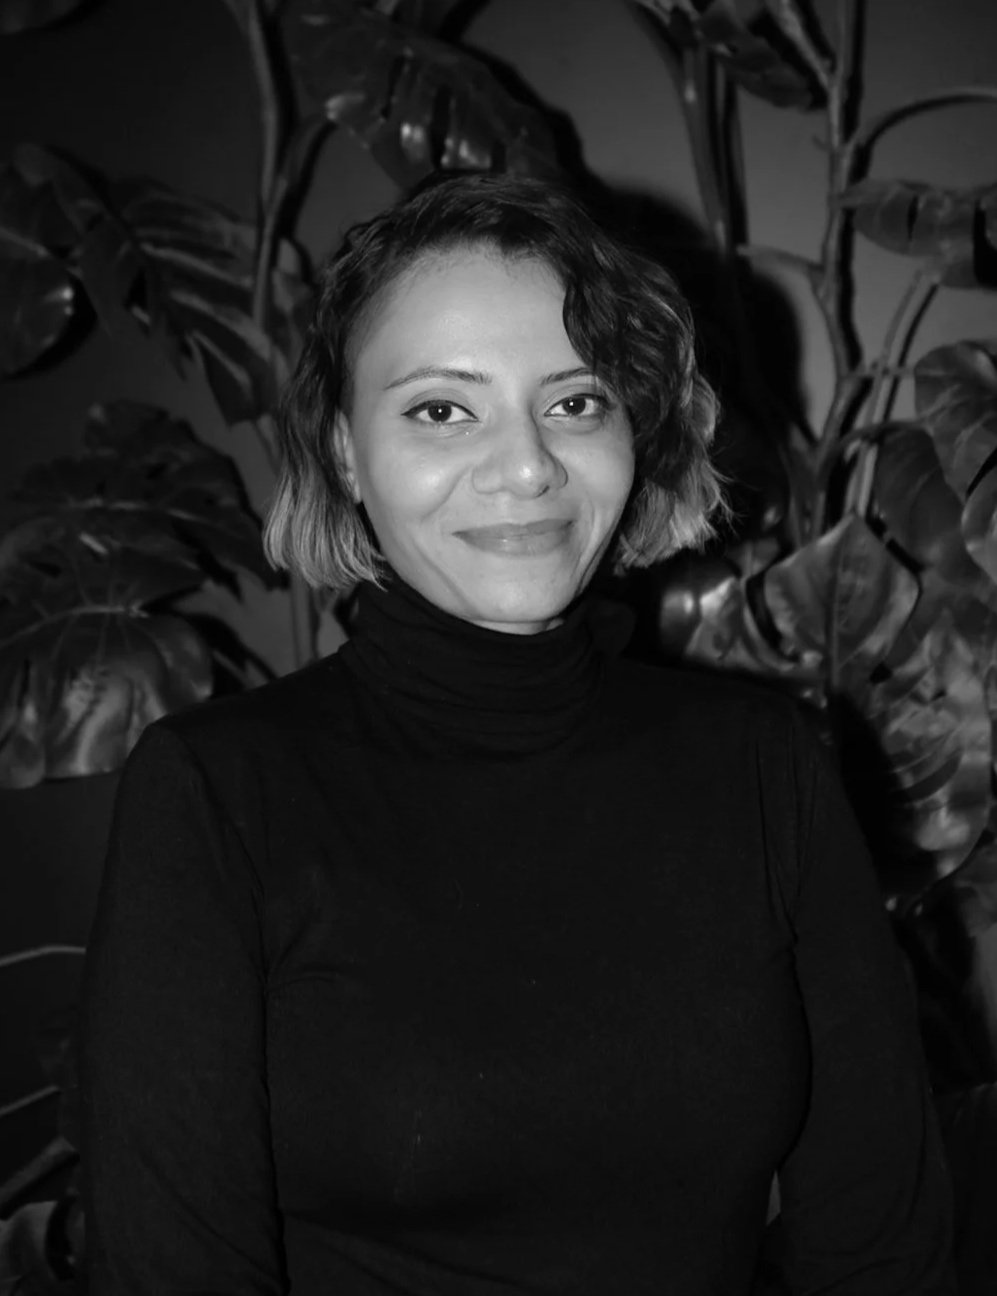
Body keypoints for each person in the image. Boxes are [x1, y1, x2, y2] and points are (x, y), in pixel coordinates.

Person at [78, 172, 956, 1295]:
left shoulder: (762, 761)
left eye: (574, 401)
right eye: (442, 408)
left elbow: (878, 1243)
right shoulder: (218, 791)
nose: (527, 466)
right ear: (347, 452)